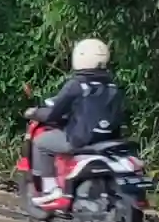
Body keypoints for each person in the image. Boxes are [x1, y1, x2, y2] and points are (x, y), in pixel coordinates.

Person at [25, 38, 125, 207]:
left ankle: (51, 189)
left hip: (80, 140)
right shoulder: (113, 86)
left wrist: (35, 113)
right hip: (109, 141)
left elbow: (54, 113)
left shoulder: (77, 85)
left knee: (41, 142)